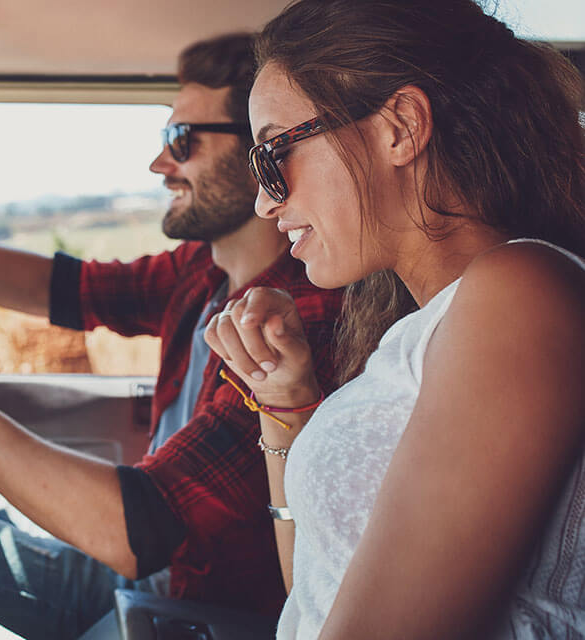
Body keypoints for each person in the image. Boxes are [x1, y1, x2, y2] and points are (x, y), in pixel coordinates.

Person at [0, 34, 342, 639]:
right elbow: (54, 286)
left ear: (257, 149)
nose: (161, 164)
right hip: (147, 568)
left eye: (180, 141)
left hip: (187, 605)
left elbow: (144, 533)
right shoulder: (201, 274)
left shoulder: (291, 320)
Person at [201, 0, 585, 637]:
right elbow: (317, 594)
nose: (266, 203)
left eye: (274, 154)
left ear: (400, 127)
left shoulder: (517, 293)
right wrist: (288, 401)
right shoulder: (430, 325)